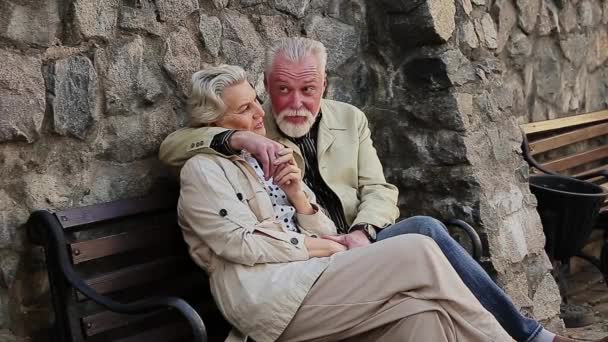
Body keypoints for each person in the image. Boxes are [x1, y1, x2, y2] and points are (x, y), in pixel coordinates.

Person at [161, 38, 605, 342]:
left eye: (307, 90)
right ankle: (521, 337)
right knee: (420, 248)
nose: (287, 104)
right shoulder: (244, 148)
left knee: (426, 310)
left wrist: (356, 228)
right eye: (277, 92)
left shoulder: (348, 120)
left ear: (325, 86)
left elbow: (379, 189)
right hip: (305, 270)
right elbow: (180, 147)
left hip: (350, 245)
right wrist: (240, 138)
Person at [177, 64, 512, 342]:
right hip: (270, 298)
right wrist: (322, 247)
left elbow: (329, 229)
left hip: (315, 280)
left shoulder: (268, 154)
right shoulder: (203, 170)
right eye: (243, 109)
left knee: (424, 315)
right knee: (419, 249)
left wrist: (297, 196)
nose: (258, 114)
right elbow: (242, 244)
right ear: (213, 124)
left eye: (255, 101)